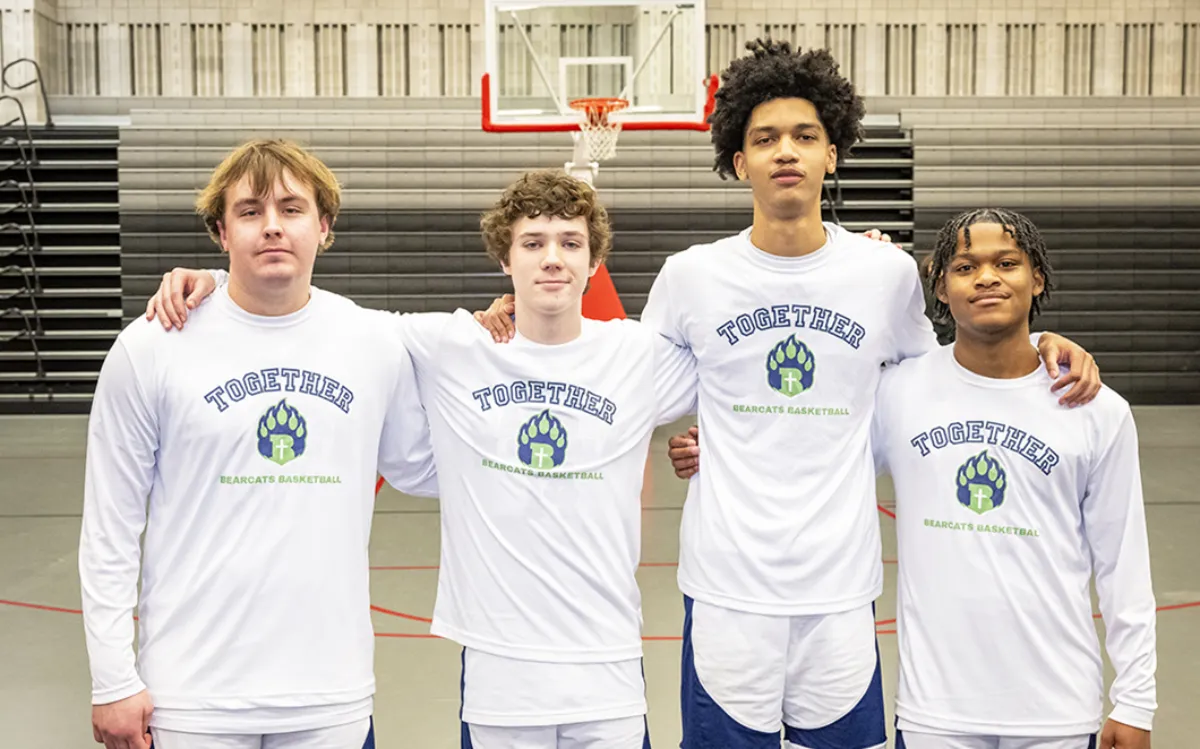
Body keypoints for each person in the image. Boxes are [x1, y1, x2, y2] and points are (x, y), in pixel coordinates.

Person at [515, 38, 1100, 749]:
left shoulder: (883, 274)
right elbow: (615, 370)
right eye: (765, 139)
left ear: (832, 153)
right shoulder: (692, 275)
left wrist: (1040, 346)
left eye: (804, 136)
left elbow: (946, 380)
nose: (785, 151)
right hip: (727, 590)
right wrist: (515, 311)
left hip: (840, 591)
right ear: (739, 161)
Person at [144, 169, 699, 749]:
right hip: (498, 679)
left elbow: (735, 381)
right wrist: (214, 282)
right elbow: (319, 316)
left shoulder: (637, 355)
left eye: (571, 243)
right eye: (533, 244)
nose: (552, 259)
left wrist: (709, 441)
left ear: (594, 260)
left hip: (609, 671)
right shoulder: (452, 345)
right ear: (505, 260)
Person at [671, 208, 1156, 749]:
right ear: (940, 288)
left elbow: (1124, 565)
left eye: (1007, 263)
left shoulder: (1095, 409)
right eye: (966, 267)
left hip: (1059, 712)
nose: (987, 278)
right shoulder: (899, 393)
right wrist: (715, 445)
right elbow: (808, 436)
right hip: (933, 715)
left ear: (1037, 278)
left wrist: (1136, 699)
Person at [80, 140, 437, 749]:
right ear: (221, 233)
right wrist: (112, 678)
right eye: (250, 211)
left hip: (330, 697)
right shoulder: (153, 346)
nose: (272, 226)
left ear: (324, 227)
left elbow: (424, 469)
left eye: (292, 209)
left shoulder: (373, 341)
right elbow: (109, 528)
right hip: (192, 699)